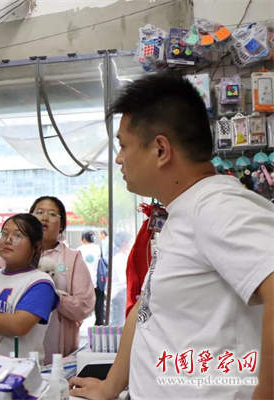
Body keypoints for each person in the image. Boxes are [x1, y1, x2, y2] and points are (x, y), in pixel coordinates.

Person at [70, 73, 274, 399]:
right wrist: (112, 385)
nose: (119, 158)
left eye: (123, 146)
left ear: (161, 149)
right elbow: (148, 310)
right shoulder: (182, 212)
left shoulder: (216, 206)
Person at [0, 214, 60, 362]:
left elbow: (17, 326)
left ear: (36, 246)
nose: (8, 240)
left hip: (19, 372)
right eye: (4, 234)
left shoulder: (41, 283)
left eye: (18, 235)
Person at [29, 196, 95, 365]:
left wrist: (55, 297)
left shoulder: (73, 258)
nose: (44, 217)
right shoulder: (16, 254)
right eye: (39, 212)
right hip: (20, 352)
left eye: (52, 214)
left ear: (62, 226)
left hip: (60, 356)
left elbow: (85, 306)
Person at [78, 229, 105, 325]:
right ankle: (99, 325)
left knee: (81, 304)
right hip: (97, 281)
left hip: (83, 283)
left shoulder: (79, 250)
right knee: (99, 305)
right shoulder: (98, 248)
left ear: (83, 239)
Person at [108, 231, 132, 327]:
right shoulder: (119, 259)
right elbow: (124, 279)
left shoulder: (121, 257)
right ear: (124, 243)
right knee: (118, 324)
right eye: (129, 241)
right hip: (119, 295)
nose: (131, 243)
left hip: (121, 295)